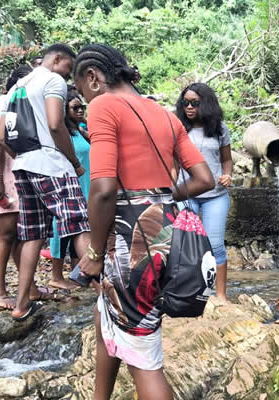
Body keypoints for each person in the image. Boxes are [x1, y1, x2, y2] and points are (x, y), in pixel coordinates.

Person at [73, 44, 214, 400]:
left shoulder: (103, 105)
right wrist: (160, 198)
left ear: (93, 77)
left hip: (130, 240)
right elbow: (203, 179)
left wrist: (92, 252)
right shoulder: (166, 115)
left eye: (80, 89)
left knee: (145, 359)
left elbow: (104, 190)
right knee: (107, 313)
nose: (82, 98)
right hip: (172, 234)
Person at [0, 44, 93, 321]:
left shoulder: (16, 88)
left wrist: (24, 156)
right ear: (58, 59)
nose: (71, 75)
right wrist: (73, 161)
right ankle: (107, 295)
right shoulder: (52, 80)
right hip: (52, 164)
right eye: (69, 68)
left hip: (24, 167)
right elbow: (54, 124)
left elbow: (2, 137)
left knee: (32, 235)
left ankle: (21, 303)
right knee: (79, 224)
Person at [0, 65, 36, 310]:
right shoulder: (4, 102)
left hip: (19, 171)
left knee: (22, 233)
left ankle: (28, 289)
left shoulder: (26, 105)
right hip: (2, 170)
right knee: (5, 231)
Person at [175, 82, 232, 302]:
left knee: (215, 244)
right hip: (185, 194)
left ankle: (220, 296)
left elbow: (226, 160)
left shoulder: (219, 128)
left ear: (205, 104)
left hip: (215, 195)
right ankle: (186, 295)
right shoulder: (177, 127)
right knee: (182, 246)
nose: (189, 107)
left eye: (195, 103)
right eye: (185, 102)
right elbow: (172, 162)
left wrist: (227, 174)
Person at [47, 92, 91, 290]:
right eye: (75, 108)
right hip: (66, 186)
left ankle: (77, 271)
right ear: (65, 110)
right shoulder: (60, 132)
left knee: (81, 229)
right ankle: (56, 275)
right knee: (60, 230)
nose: (80, 110)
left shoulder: (79, 130)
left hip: (85, 186)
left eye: (82, 107)